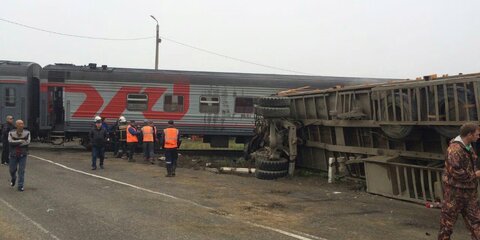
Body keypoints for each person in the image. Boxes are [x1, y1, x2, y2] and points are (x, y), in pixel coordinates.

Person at [438, 123, 480, 239]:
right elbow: (456, 172)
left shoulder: (468, 146)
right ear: (469, 135)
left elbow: (472, 164)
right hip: (454, 194)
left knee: (476, 222)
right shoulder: (454, 150)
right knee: (447, 225)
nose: (478, 136)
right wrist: (475, 175)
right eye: (477, 134)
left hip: (469, 193)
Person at [8, 119, 30, 192]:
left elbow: (27, 142)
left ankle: (20, 186)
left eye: (22, 124)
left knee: (21, 171)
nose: (21, 125)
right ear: (16, 125)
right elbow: (10, 142)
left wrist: (16, 142)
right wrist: (20, 141)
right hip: (13, 154)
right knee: (12, 170)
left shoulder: (27, 132)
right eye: (20, 124)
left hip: (23, 154)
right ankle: (13, 178)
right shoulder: (11, 132)